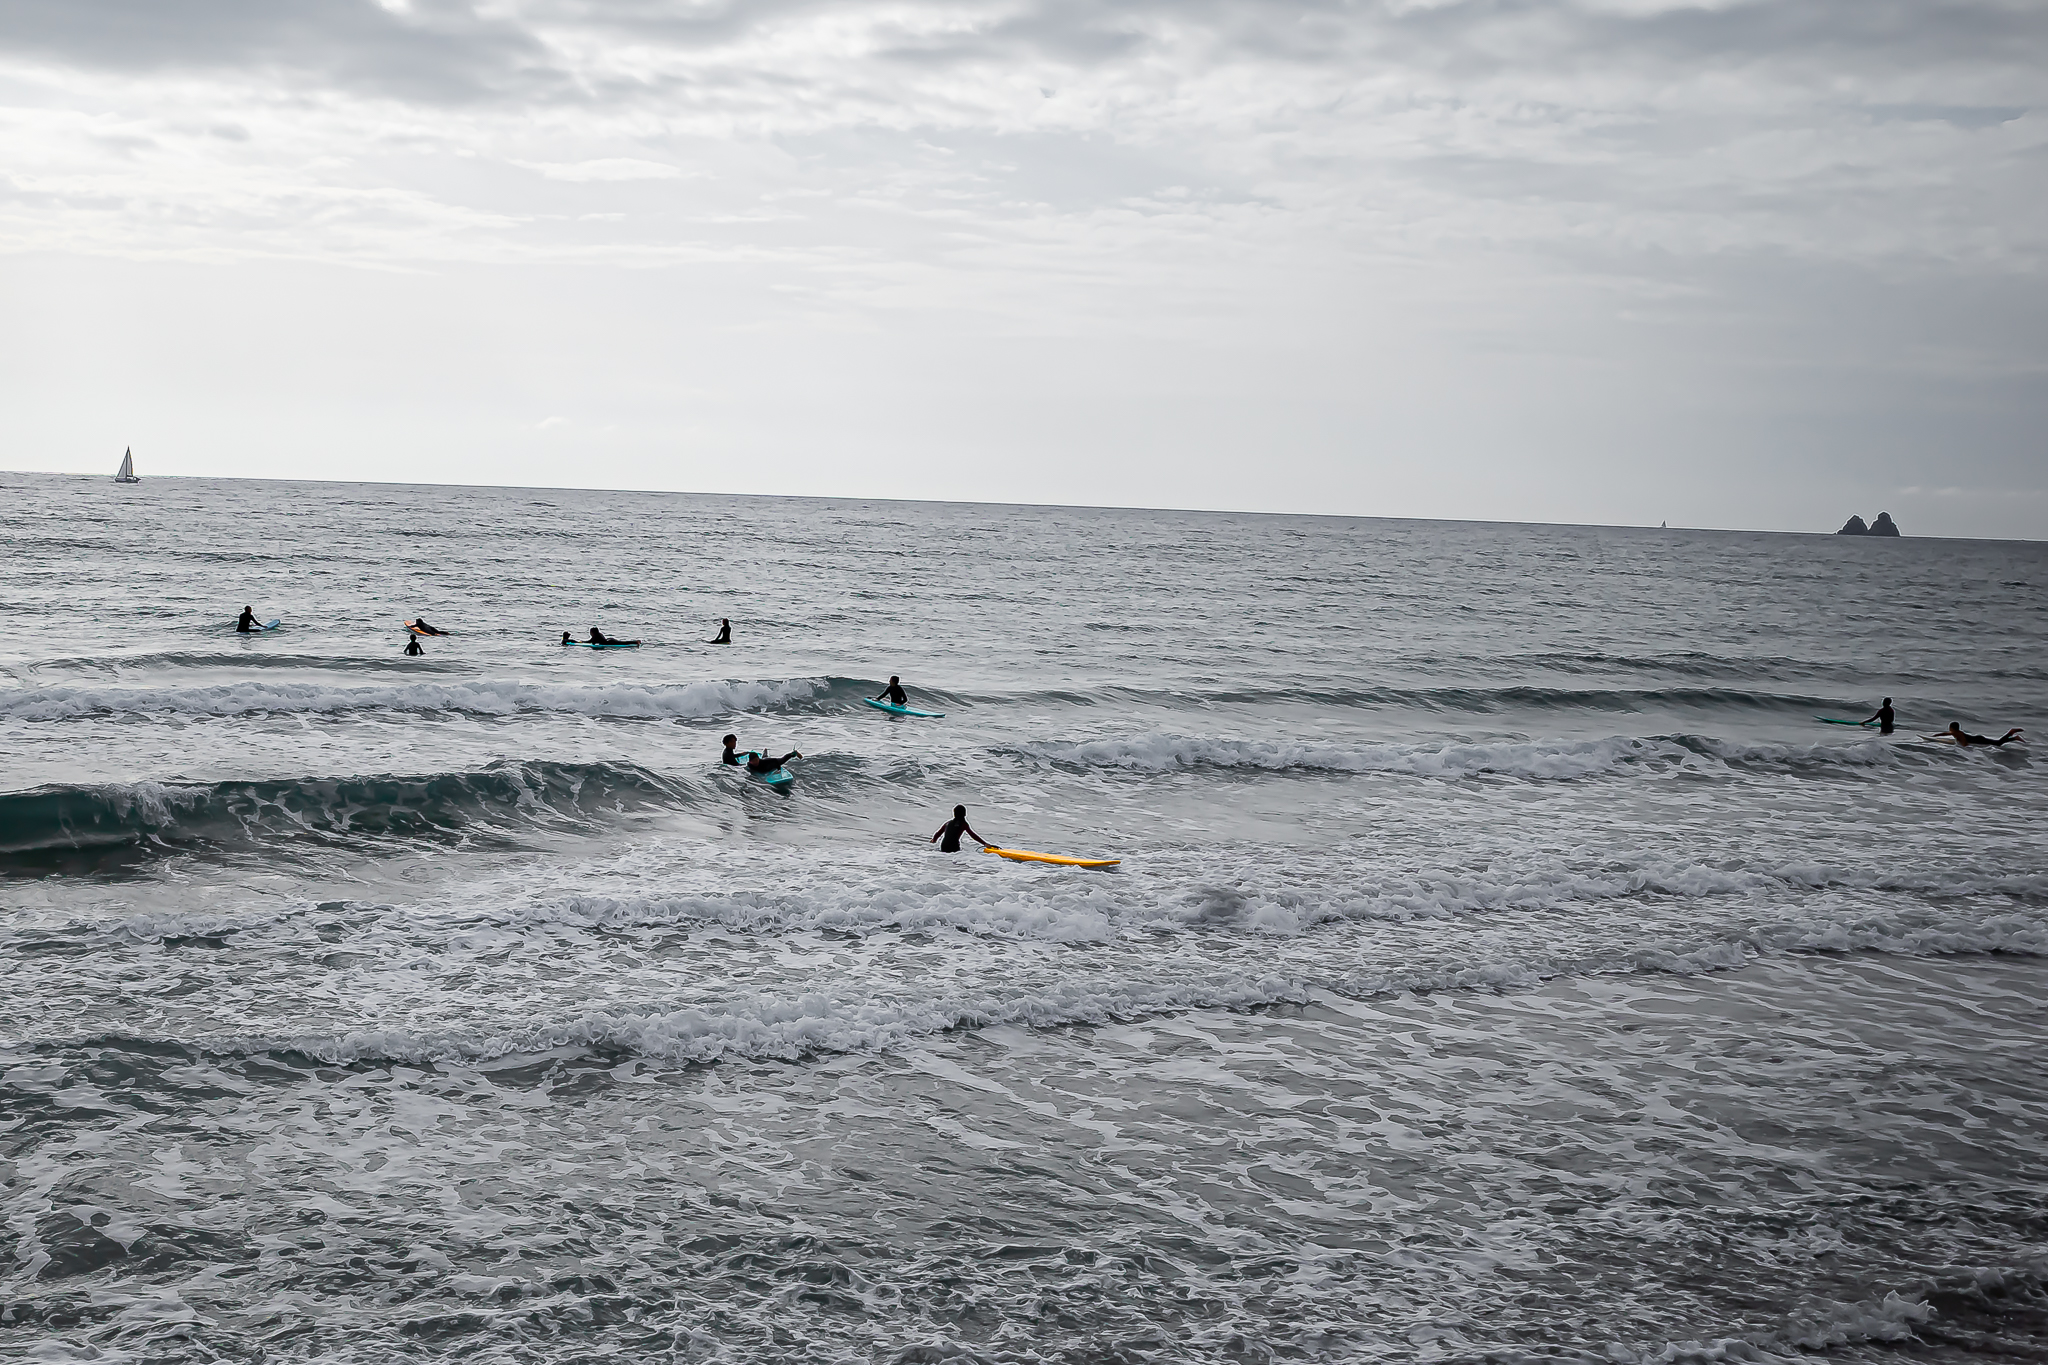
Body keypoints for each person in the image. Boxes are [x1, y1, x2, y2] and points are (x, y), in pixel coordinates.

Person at [722, 733, 801, 773]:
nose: (734, 744)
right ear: (726, 743)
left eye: (735, 742)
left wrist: (778, 769)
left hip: (772, 762)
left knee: (779, 760)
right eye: (732, 742)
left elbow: (732, 757)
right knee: (763, 759)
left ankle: (793, 753)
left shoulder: (728, 751)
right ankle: (765, 753)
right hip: (734, 769)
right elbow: (735, 765)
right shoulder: (727, 754)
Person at [1945, 722, 2025, 747]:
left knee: (1998, 743)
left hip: (1978, 740)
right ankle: (2014, 737)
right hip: (1978, 739)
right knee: (1998, 743)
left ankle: (2011, 733)